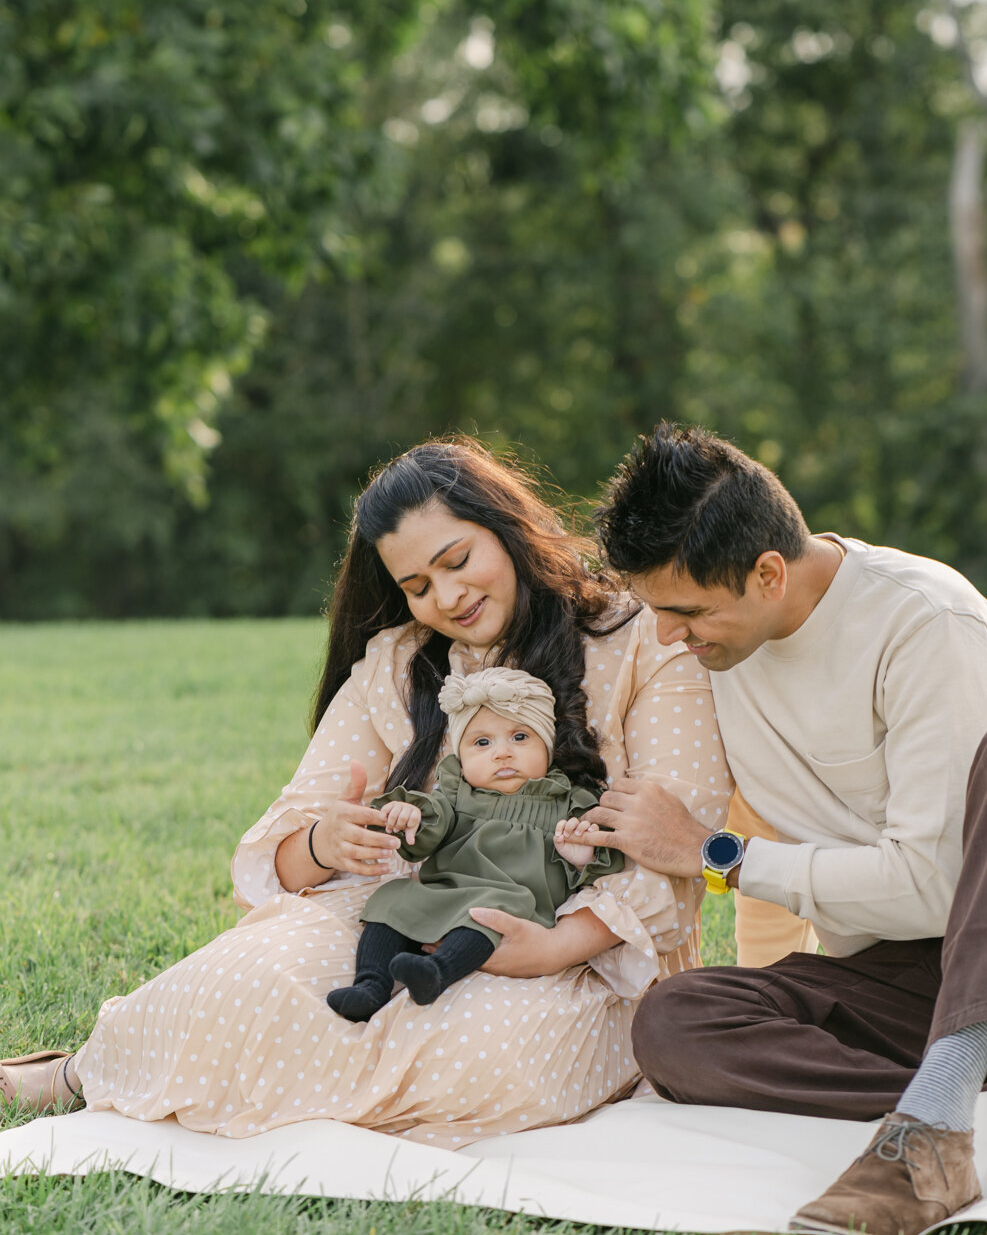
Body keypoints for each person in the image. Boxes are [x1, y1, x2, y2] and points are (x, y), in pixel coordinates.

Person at [0, 438, 730, 1148]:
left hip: (578, 937)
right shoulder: (397, 663)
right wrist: (324, 842)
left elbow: (671, 842)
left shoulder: (640, 641)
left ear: (508, 530)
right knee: (228, 989)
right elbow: (285, 857)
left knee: (482, 1056)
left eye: (458, 561)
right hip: (402, 905)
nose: (447, 596)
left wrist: (552, 948)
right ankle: (82, 1072)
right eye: (417, 586)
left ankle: (269, 1087)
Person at [584, 422, 987, 1235]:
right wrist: (772, 997)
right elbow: (775, 833)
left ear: (768, 573)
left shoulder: (924, 621)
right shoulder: (721, 654)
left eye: (686, 611)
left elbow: (935, 882)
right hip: (906, 975)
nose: (666, 636)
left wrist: (711, 856)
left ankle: (934, 1134)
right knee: (672, 1021)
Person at [327, 666, 623, 1017]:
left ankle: (435, 973)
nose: (502, 753)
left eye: (520, 737)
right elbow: (424, 833)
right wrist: (407, 818)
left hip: (513, 903)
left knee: (489, 913)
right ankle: (370, 985)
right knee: (394, 898)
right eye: (482, 743)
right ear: (461, 757)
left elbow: (604, 869)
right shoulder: (455, 794)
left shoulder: (567, 802)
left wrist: (580, 856)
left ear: (547, 745)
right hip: (446, 891)